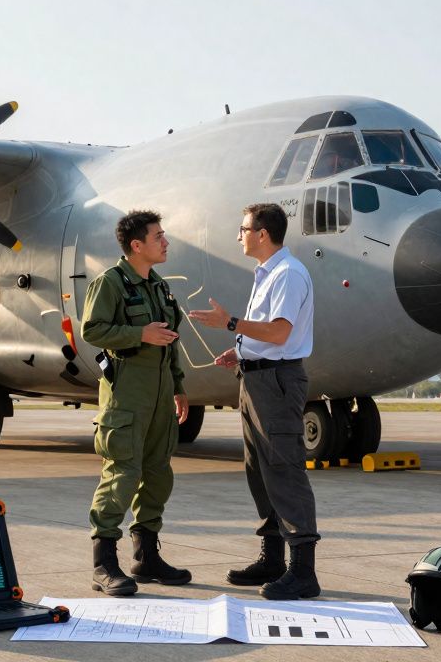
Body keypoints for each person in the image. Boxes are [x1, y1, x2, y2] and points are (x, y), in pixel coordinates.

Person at [187, 202, 320, 600]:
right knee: (259, 471)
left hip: (277, 384)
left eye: (243, 228)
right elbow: (267, 336)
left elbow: (280, 333)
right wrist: (241, 351)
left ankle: (303, 572)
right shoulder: (268, 273)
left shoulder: (288, 274)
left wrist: (230, 323)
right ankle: (273, 558)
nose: (240, 235)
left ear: (262, 233)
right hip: (256, 378)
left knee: (284, 470)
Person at [82, 209, 193, 596]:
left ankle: (146, 556)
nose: (165, 242)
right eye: (158, 236)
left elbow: (170, 340)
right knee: (122, 474)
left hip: (161, 393)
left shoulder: (159, 287)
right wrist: (138, 333)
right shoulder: (110, 283)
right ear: (136, 245)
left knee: (158, 473)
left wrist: (179, 386)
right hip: (127, 393)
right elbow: (92, 330)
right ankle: (104, 564)